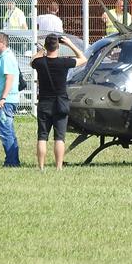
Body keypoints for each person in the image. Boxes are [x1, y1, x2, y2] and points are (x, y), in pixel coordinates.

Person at [31, 34, 87, 170]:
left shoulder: (40, 63)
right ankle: (58, 167)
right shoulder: (64, 62)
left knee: (42, 136)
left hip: (44, 102)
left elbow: (32, 61)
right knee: (59, 137)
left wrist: (41, 50)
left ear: (46, 46)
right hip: (60, 102)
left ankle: (41, 167)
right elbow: (83, 59)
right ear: (58, 47)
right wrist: (69, 44)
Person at [0, 32, 21, 167]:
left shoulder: (7, 58)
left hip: (4, 102)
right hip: (2, 100)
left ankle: (11, 162)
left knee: (5, 131)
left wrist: (3, 98)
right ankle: (12, 160)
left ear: (3, 43)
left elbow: (9, 79)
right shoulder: (2, 58)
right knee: (6, 130)